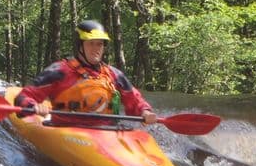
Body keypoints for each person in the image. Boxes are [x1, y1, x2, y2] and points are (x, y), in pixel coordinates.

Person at [15, 20, 157, 126]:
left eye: (99, 44)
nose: (96, 49)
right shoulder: (58, 71)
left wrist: (145, 112)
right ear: (80, 46)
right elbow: (23, 97)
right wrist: (33, 106)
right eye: (91, 43)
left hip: (107, 134)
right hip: (67, 129)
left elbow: (134, 99)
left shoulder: (114, 74)